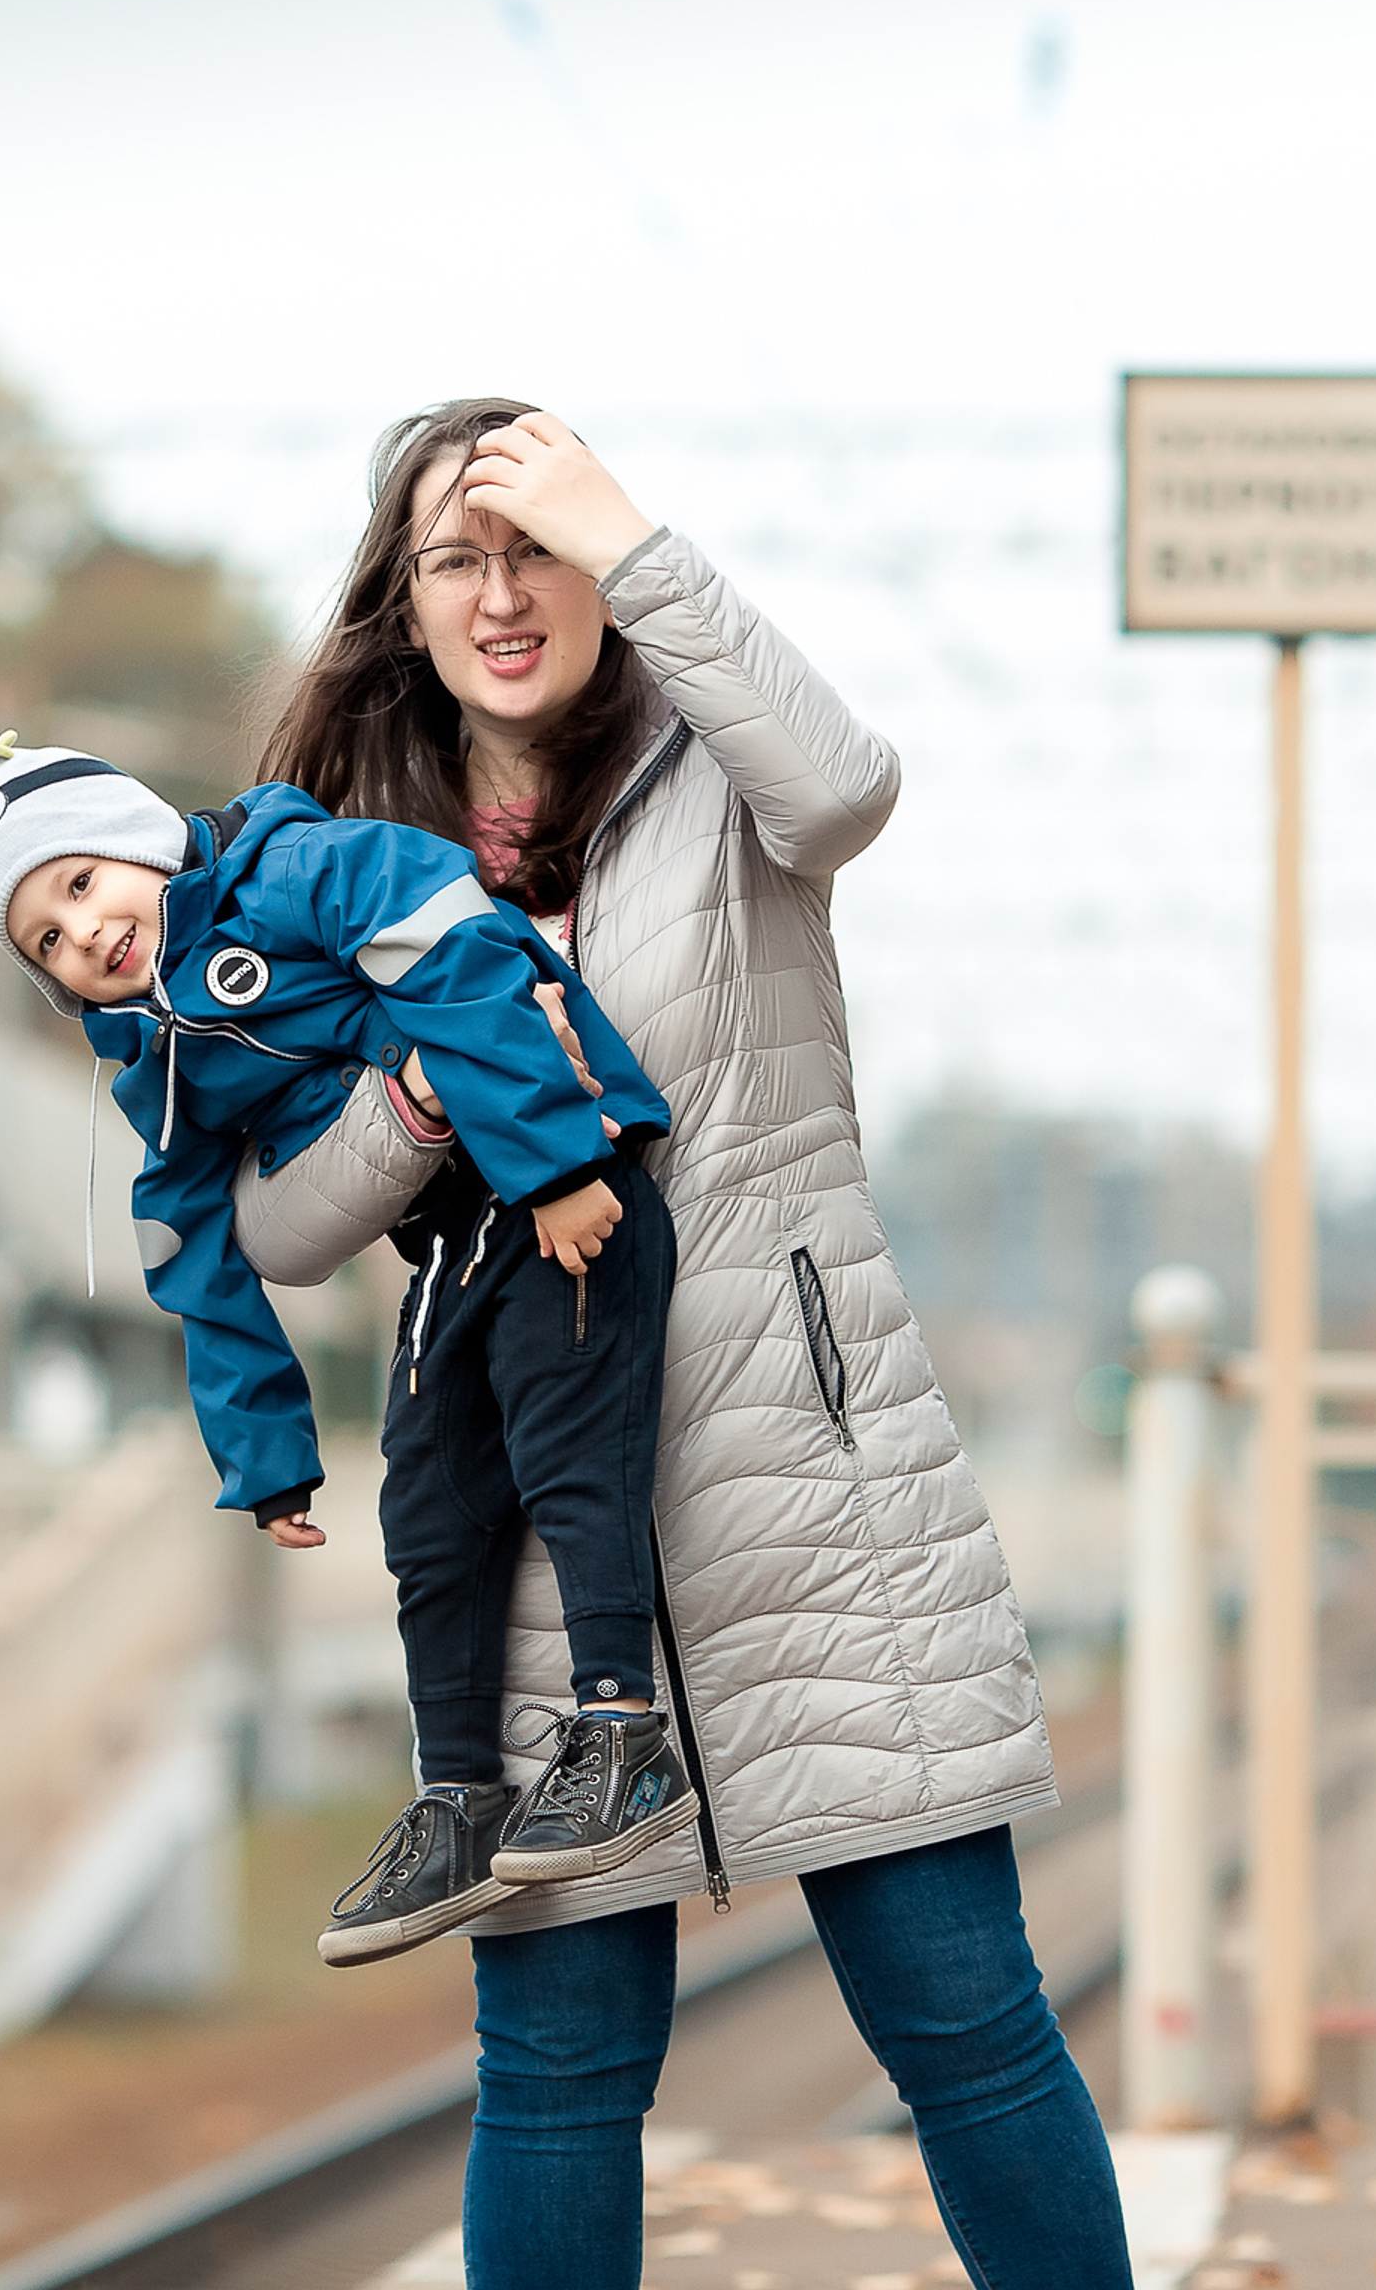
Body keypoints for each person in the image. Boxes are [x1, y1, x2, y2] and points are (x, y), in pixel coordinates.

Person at [234, 402, 1132, 2290]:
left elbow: (849, 787)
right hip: (547, 1548)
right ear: (401, 605)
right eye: (455, 559)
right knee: (555, 2073)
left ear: (600, 563)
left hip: (819, 1496)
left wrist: (635, 535)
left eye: (535, 545)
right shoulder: (333, 873)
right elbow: (279, 1228)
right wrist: (420, 1103)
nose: (501, 592)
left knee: (966, 2025)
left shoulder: (716, 773)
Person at [0, 731, 704, 1962]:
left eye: (80, 884)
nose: (81, 936)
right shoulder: (158, 1055)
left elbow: (458, 965)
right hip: (449, 1242)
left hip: (561, 1182)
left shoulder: (299, 869)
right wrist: (264, 1454)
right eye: (44, 939)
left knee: (572, 1458)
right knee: (430, 1512)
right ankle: (460, 1793)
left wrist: (565, 1160)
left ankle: (624, 1733)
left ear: (135, 835)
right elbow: (193, 1248)